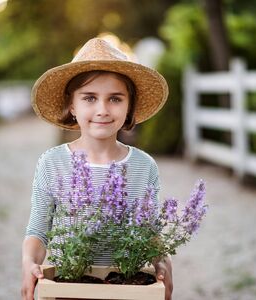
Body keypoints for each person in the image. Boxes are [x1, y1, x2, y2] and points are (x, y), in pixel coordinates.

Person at [21, 37, 172, 300]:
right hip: (70, 287)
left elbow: (149, 232)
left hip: (128, 289)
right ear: (72, 106)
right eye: (89, 98)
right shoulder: (52, 163)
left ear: (129, 107)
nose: (102, 109)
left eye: (115, 99)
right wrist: (28, 263)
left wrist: (161, 262)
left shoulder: (143, 166)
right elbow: (38, 232)